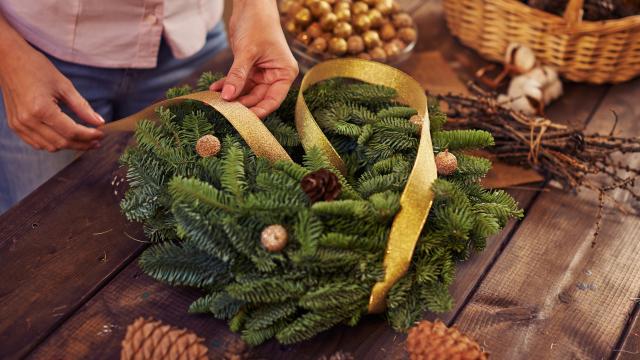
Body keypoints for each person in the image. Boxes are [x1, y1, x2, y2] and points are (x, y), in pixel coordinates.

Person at [0, 0, 298, 214]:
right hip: (37, 57)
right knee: (45, 227)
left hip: (190, 41)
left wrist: (257, 7)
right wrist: (9, 56)